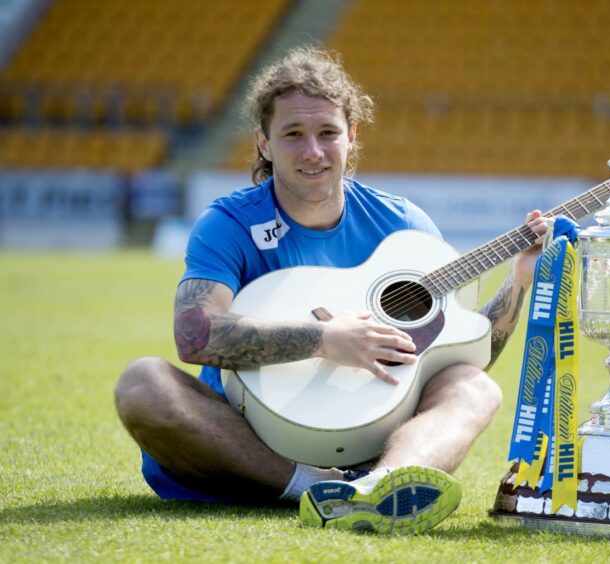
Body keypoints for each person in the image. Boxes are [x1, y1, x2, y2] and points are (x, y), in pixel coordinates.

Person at [114, 47, 548, 534]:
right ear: (263, 142)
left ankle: (378, 488)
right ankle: (311, 487)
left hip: (370, 434)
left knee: (475, 388)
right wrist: (323, 340)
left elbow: (461, 354)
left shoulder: (404, 224)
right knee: (142, 383)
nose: (313, 151)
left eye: (327, 133)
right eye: (293, 135)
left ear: (352, 135)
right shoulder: (228, 222)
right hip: (248, 438)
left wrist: (519, 279)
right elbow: (194, 335)